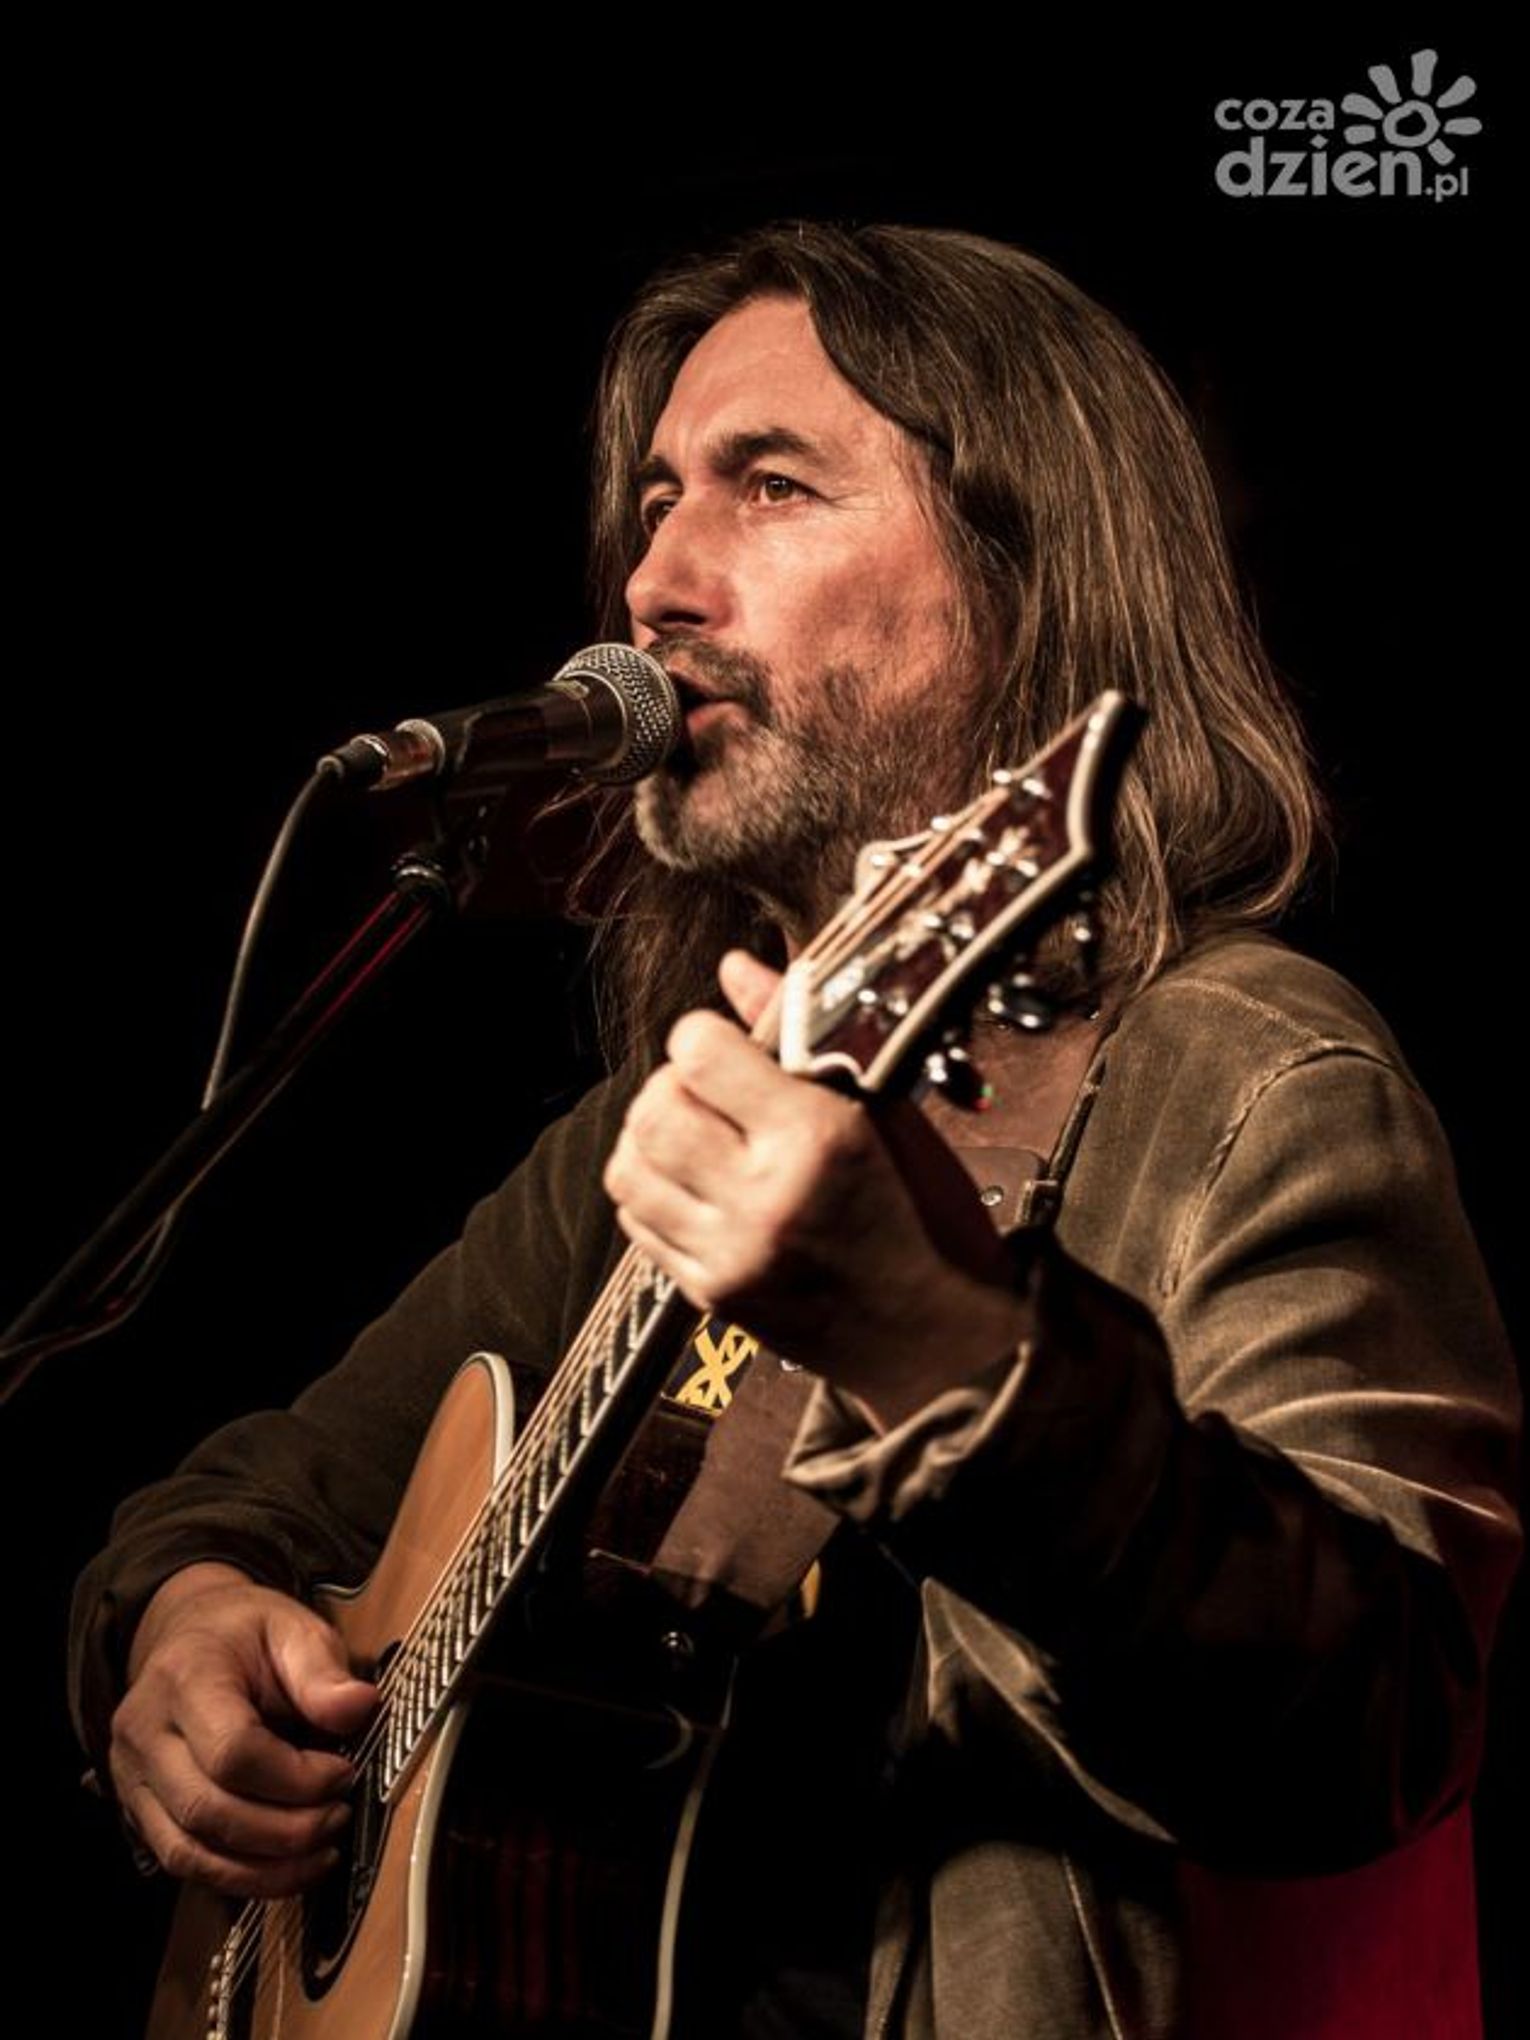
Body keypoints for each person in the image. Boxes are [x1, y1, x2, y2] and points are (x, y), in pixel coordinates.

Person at [71, 224, 1520, 2038]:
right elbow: (250, 1496)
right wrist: (180, 1619)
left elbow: (1374, 1731)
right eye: (655, 499)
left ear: (1032, 573)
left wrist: (942, 1352)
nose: (653, 582)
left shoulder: (1247, 1082)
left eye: (770, 487)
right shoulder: (658, 1126)